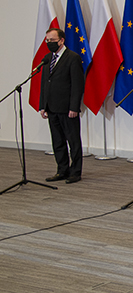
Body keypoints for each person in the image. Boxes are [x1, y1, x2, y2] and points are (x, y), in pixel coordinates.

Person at [39, 28, 85, 184]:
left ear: (61, 40)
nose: (49, 43)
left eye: (52, 40)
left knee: (73, 142)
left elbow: (77, 85)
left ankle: (75, 172)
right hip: (52, 108)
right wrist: (43, 105)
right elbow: (45, 84)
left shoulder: (73, 58)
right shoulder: (47, 58)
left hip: (67, 109)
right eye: (47, 40)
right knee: (57, 141)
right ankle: (62, 170)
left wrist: (74, 107)